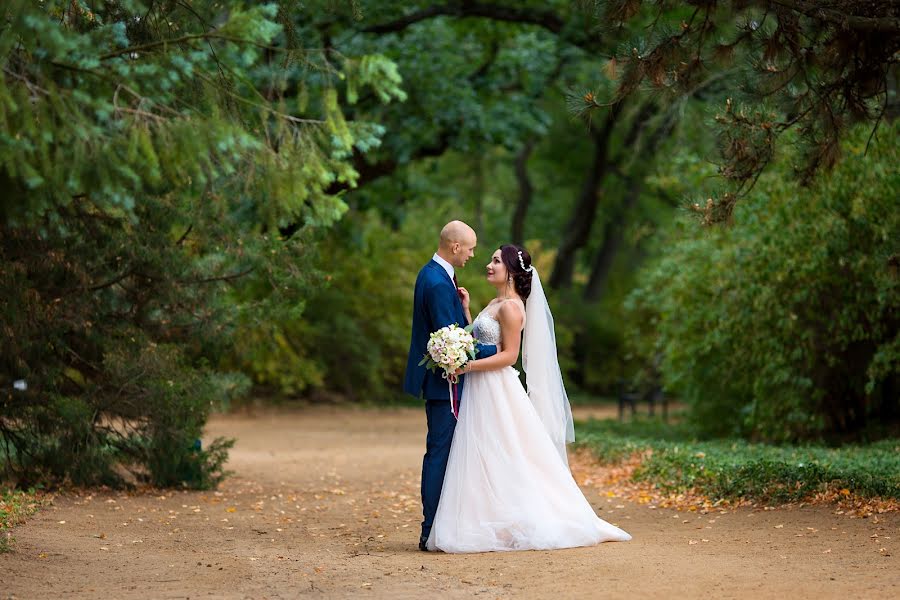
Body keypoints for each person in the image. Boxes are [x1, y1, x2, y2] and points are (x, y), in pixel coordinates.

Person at [425, 244, 632, 553]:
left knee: (502, 449)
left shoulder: (511, 307)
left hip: (495, 388)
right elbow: (480, 340)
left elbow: (509, 356)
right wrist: (467, 311)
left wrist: (466, 366)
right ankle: (492, 515)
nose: (489, 265)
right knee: (487, 451)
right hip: (483, 388)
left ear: (511, 270)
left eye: (496, 261)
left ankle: (524, 516)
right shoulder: (498, 302)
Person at [403, 221, 498, 552]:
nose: (473, 254)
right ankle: (430, 529)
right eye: (470, 248)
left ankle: (444, 525)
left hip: (445, 382)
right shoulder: (437, 282)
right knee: (440, 454)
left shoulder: (433, 274)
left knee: (444, 453)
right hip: (445, 386)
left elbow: (455, 332)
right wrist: (498, 352)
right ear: (455, 246)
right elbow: (451, 342)